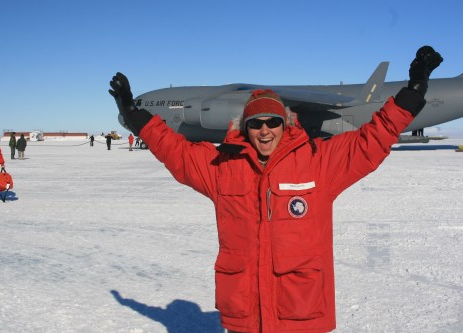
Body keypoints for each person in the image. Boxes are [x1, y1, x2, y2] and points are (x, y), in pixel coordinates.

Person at [109, 46, 442, 333]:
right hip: (245, 315)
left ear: (285, 124)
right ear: (246, 127)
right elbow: (176, 152)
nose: (264, 131)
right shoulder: (223, 167)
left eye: (273, 122)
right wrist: (136, 117)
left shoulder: (318, 163)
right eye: (256, 123)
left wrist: (412, 93)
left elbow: (372, 139)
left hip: (300, 311)